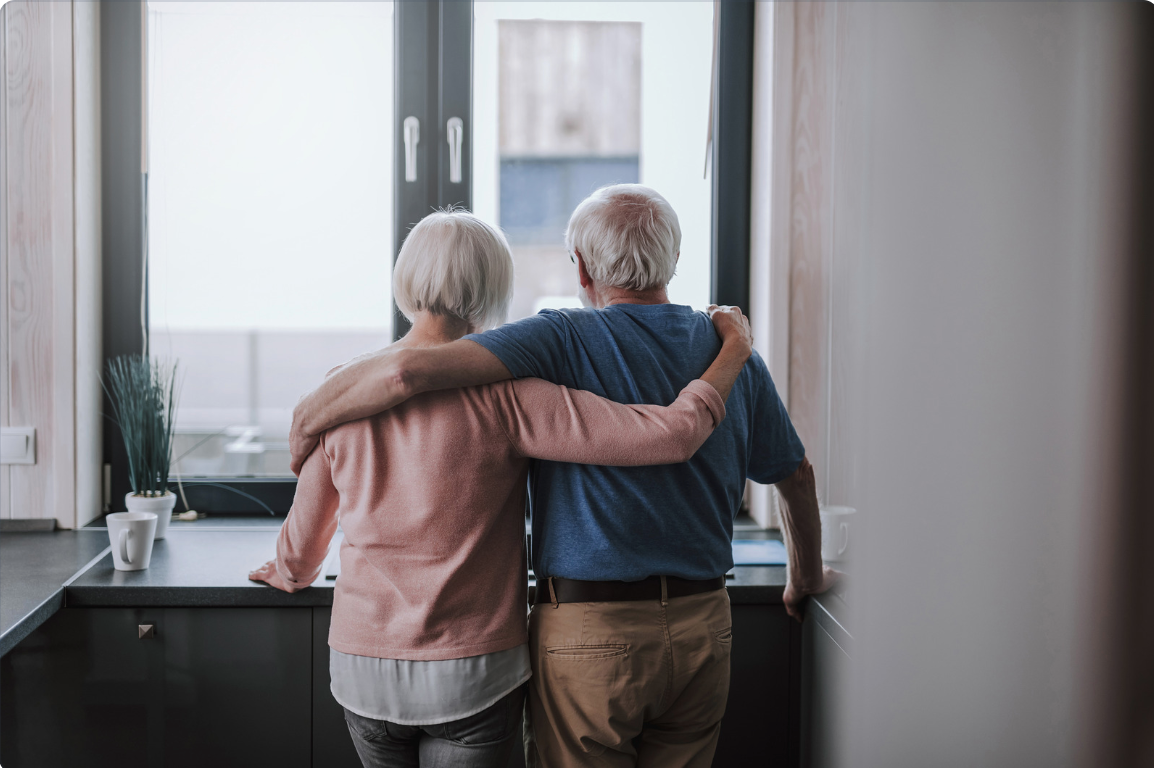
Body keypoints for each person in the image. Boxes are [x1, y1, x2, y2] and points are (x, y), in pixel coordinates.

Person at [288, 186, 838, 768]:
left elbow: (410, 372)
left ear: (579, 266)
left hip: (586, 634)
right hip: (705, 624)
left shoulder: (561, 338)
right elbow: (795, 474)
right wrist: (803, 575)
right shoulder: (734, 355)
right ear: (674, 261)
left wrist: (310, 418)